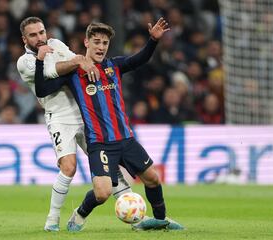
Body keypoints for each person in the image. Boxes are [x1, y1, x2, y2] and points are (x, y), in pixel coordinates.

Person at [34, 19, 184, 231]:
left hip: (125, 139)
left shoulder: (115, 65)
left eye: (105, 43)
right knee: (102, 193)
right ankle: (79, 214)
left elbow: (139, 59)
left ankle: (161, 220)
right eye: (97, 42)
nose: (101, 47)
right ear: (86, 42)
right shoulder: (74, 72)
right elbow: (41, 89)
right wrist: (40, 62)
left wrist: (152, 41)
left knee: (152, 178)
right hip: (100, 143)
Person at [16, 17, 139, 232]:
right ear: (24, 38)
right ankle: (52, 220)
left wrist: (84, 61)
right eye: (33, 35)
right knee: (69, 167)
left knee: (109, 165)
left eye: (41, 32)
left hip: (85, 113)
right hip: (59, 117)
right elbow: (50, 75)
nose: (39, 38)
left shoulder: (56, 45)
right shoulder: (24, 62)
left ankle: (136, 217)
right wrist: (76, 62)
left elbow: (81, 62)